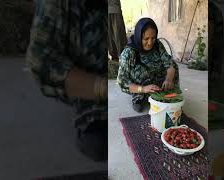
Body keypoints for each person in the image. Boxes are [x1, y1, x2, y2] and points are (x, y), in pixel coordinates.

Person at [26, 0, 107, 162]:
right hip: (92, 92)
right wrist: (102, 88)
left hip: (119, 84)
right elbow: (41, 61)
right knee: (98, 144)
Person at [117, 17, 179, 112]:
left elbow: (169, 63)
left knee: (174, 65)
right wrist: (143, 88)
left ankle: (166, 92)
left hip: (158, 81)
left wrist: (168, 79)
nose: (150, 43)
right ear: (138, 36)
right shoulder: (129, 53)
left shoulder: (157, 45)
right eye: (146, 39)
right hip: (141, 85)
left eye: (153, 38)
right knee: (142, 72)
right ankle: (138, 98)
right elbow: (122, 82)